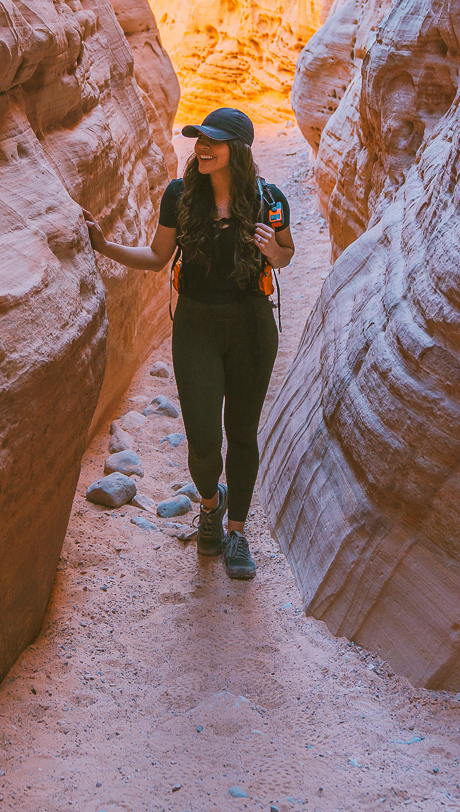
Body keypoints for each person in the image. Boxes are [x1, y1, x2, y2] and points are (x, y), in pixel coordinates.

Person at [83, 107, 294, 581]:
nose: (201, 146)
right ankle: (210, 505)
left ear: (236, 151)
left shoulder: (269, 199)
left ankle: (237, 532)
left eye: (212, 141)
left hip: (252, 327)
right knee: (202, 438)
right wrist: (105, 247)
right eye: (199, 138)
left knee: (241, 432)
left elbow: (286, 252)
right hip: (196, 325)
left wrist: (270, 251)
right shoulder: (180, 196)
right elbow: (159, 257)